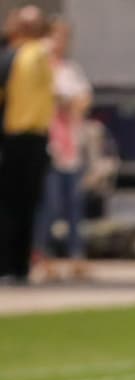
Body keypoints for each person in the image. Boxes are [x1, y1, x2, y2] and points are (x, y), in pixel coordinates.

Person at [31, 16, 92, 283]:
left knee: (74, 206)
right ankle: (42, 256)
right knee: (49, 204)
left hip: (71, 146)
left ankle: (76, 255)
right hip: (48, 145)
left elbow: (82, 100)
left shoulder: (70, 69)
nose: (59, 43)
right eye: (55, 37)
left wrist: (68, 103)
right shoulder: (40, 67)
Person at [0, 5, 53, 286]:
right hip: (19, 136)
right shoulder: (20, 55)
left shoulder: (34, 54)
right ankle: (11, 264)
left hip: (28, 137)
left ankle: (17, 266)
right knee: (15, 205)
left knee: (22, 204)